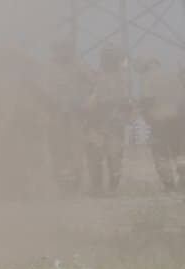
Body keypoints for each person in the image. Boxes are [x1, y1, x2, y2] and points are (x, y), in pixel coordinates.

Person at [43, 39, 93, 196]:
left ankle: (75, 183)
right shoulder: (48, 68)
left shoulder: (80, 65)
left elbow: (93, 84)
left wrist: (85, 102)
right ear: (54, 51)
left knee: (76, 149)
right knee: (58, 150)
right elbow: (41, 90)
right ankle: (62, 185)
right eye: (59, 49)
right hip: (55, 114)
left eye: (66, 49)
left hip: (75, 114)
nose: (62, 53)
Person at [87, 44, 133, 195]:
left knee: (113, 156)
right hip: (100, 122)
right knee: (98, 156)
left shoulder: (120, 78)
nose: (106, 61)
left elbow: (125, 102)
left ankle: (109, 188)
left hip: (111, 122)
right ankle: (99, 187)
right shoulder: (98, 76)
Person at [139, 59, 185, 193]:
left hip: (160, 121)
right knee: (179, 152)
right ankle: (183, 179)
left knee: (161, 154)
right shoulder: (173, 76)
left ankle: (169, 185)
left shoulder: (148, 79)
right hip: (179, 120)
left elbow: (146, 100)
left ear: (147, 68)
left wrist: (146, 116)